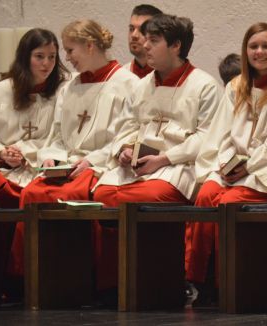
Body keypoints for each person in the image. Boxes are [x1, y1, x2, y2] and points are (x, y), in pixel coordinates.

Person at [92, 14, 223, 291]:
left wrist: (164, 159)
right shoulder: (142, 85)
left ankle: (155, 280)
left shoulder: (204, 85)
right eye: (145, 40)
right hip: (139, 165)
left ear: (176, 46)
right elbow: (126, 126)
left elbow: (208, 137)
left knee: (146, 195)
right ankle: (112, 283)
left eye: (154, 41)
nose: (145, 46)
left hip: (178, 165)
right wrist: (125, 150)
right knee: (102, 194)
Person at [8, 19, 139, 278]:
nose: (66, 59)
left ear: (90, 46)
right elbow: (57, 137)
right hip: (67, 165)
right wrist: (52, 159)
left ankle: (78, 277)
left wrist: (92, 160)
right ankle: (31, 277)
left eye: (70, 50)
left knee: (76, 193)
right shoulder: (69, 87)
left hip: (102, 166)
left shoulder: (128, 84)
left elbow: (129, 134)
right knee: (33, 192)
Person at [184, 22, 267, 304]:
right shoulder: (237, 86)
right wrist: (225, 164)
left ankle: (230, 285)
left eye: (266, 46)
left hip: (266, 170)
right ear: (245, 51)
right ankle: (196, 280)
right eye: (253, 46)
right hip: (233, 168)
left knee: (229, 203)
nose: (259, 52)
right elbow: (221, 132)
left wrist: (249, 165)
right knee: (206, 194)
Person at [0, 28, 69, 207]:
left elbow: (64, 138)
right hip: (6, 171)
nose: (46, 63)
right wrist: (2, 153)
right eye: (39, 56)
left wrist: (34, 155)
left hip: (42, 169)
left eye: (52, 57)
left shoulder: (64, 90)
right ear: (25, 57)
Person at [123, 4, 163, 78]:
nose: (134, 35)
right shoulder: (120, 76)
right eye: (131, 29)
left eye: (142, 30)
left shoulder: (168, 75)